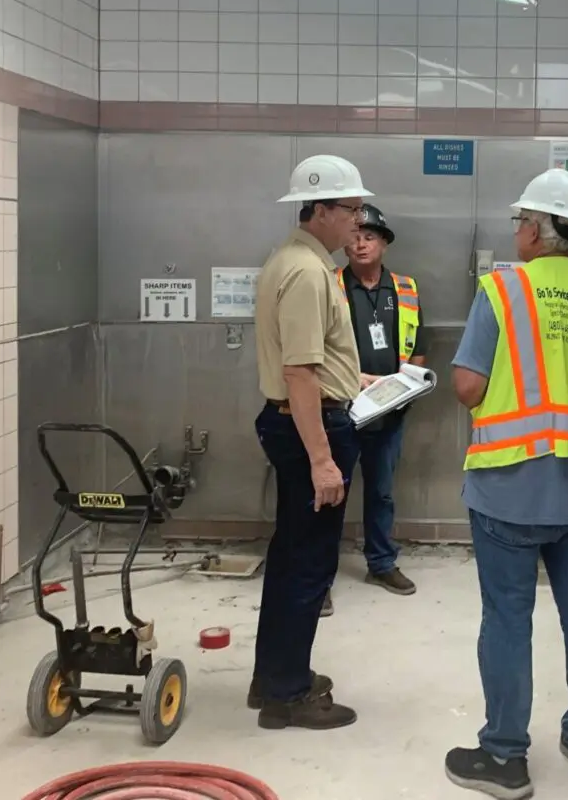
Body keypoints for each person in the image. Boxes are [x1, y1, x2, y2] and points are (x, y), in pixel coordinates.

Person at [444, 168, 568, 800]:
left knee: (508, 617)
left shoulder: (502, 291)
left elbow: (468, 386)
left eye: (520, 223)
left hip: (507, 484)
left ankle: (504, 757)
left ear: (534, 229)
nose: (517, 233)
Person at [246, 153, 371, 731]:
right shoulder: (305, 271)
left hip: (308, 417)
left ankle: (273, 677)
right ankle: (288, 694)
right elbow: (299, 373)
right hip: (309, 431)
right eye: (351, 209)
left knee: (292, 554)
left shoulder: (298, 262)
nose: (359, 220)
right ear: (319, 209)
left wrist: (357, 381)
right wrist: (323, 461)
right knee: (308, 564)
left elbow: (314, 363)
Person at [325, 203, 426, 611]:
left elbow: (417, 346)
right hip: (339, 409)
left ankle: (381, 563)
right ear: (344, 244)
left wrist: (406, 388)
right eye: (355, 236)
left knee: (381, 493)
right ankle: (319, 577)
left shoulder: (405, 289)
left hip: (388, 412)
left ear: (384, 243)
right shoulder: (329, 285)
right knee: (330, 494)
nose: (361, 243)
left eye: (370, 236)